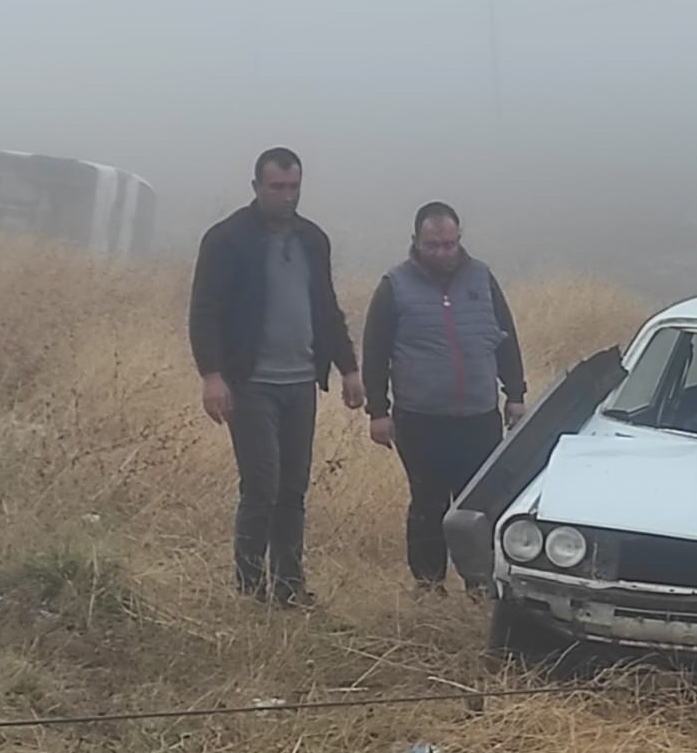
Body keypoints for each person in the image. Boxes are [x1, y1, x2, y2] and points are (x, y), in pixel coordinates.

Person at [187, 147, 362, 604]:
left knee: (292, 488)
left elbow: (326, 307)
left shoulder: (312, 240)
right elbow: (204, 313)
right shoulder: (227, 239)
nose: (286, 196)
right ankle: (250, 588)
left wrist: (349, 368)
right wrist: (212, 376)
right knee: (262, 485)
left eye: (294, 187)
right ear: (256, 187)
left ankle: (289, 586)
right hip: (251, 383)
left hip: (301, 381)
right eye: (277, 187)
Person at [361, 202, 527, 589]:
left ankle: (481, 585)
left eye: (449, 244)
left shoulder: (482, 278)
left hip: (479, 416)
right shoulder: (394, 286)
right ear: (415, 242)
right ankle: (429, 584)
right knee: (428, 503)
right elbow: (375, 352)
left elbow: (505, 339)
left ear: (459, 241)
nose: (442, 253)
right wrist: (377, 411)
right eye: (433, 245)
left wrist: (515, 394)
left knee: (479, 505)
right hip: (420, 418)